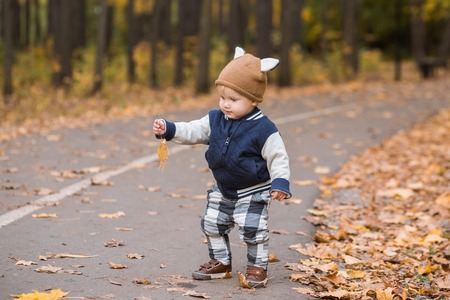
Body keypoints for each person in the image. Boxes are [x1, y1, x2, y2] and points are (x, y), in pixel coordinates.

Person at [152, 47, 291, 288]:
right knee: (212, 224)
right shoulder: (216, 119)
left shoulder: (264, 129)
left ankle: (257, 267)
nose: (226, 104)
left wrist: (280, 182)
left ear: (254, 99)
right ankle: (220, 262)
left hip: (253, 190)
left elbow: (278, 157)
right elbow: (195, 130)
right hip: (223, 188)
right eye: (223, 97)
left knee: (252, 230)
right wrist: (170, 129)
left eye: (234, 100)